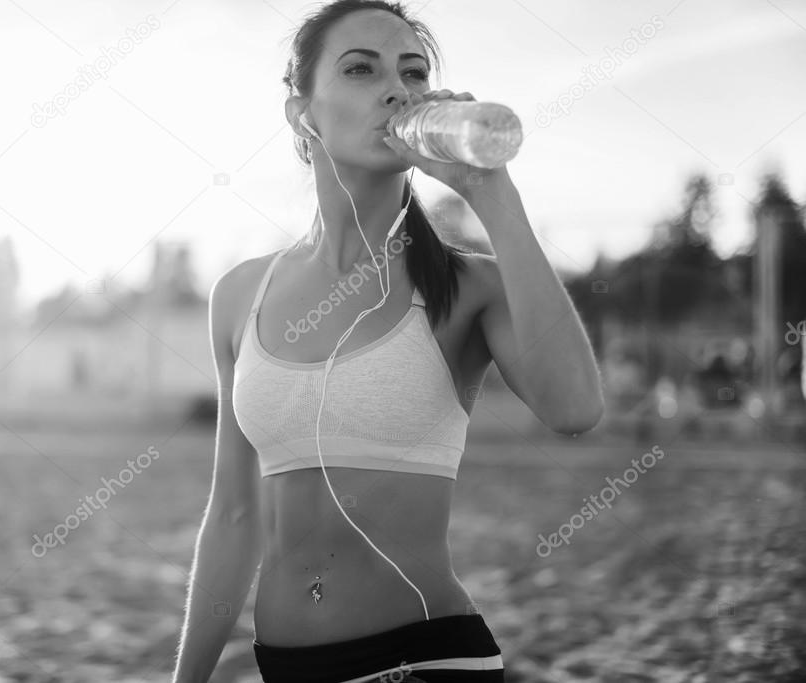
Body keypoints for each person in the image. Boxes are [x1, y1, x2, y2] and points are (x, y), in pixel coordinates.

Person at [171, 2, 604, 681]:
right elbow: (231, 513)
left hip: (426, 659)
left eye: (412, 72)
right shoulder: (239, 294)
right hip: (283, 666)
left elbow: (575, 408)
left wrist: (491, 192)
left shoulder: (465, 286)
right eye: (359, 69)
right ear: (301, 111)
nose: (394, 88)